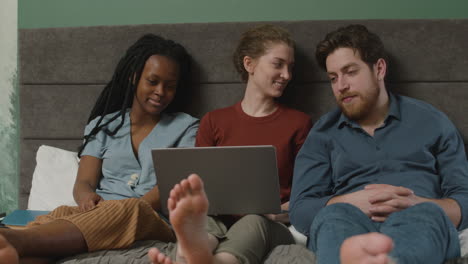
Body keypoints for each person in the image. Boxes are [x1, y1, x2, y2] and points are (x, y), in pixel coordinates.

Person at [0, 34, 199, 263]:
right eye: (152, 81)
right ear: (134, 77)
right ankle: (12, 251)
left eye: (170, 86)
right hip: (98, 214)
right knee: (61, 214)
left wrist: (114, 212)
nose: (160, 92)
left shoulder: (187, 128)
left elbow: (171, 185)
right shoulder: (104, 125)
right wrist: (86, 198)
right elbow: (84, 182)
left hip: (152, 218)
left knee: (130, 209)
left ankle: (16, 239)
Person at [289, 24, 468, 264]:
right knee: (333, 215)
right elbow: (300, 209)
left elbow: (465, 198)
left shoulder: (432, 122)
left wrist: (416, 202)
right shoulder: (323, 133)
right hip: (348, 220)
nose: (341, 86)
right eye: (333, 78)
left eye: (350, 72)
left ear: (379, 69)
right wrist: (347, 201)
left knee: (425, 214)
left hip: (417, 217)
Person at [149, 24, 312, 264]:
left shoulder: (299, 123)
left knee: (253, 221)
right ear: (249, 64)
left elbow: (307, 193)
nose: (286, 75)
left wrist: (280, 212)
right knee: (200, 218)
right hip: (217, 217)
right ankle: (192, 253)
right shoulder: (214, 121)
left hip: (269, 222)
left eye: (290, 67)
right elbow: (200, 185)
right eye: (278, 64)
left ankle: (212, 260)